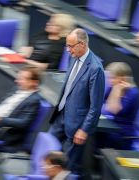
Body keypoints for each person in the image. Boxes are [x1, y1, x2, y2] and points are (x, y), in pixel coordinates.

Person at [49, 28, 105, 176]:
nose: (68, 50)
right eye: (67, 46)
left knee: (66, 168)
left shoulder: (95, 69)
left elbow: (96, 106)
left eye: (71, 46)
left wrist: (84, 130)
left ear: (82, 44)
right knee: (48, 153)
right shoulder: (73, 56)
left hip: (76, 125)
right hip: (61, 115)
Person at [100, 62, 139, 148]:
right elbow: (103, 104)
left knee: (96, 134)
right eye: (109, 78)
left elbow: (113, 109)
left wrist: (116, 90)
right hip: (111, 124)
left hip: (122, 133)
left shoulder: (134, 93)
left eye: (113, 78)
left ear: (123, 78)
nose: (110, 81)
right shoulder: (113, 86)